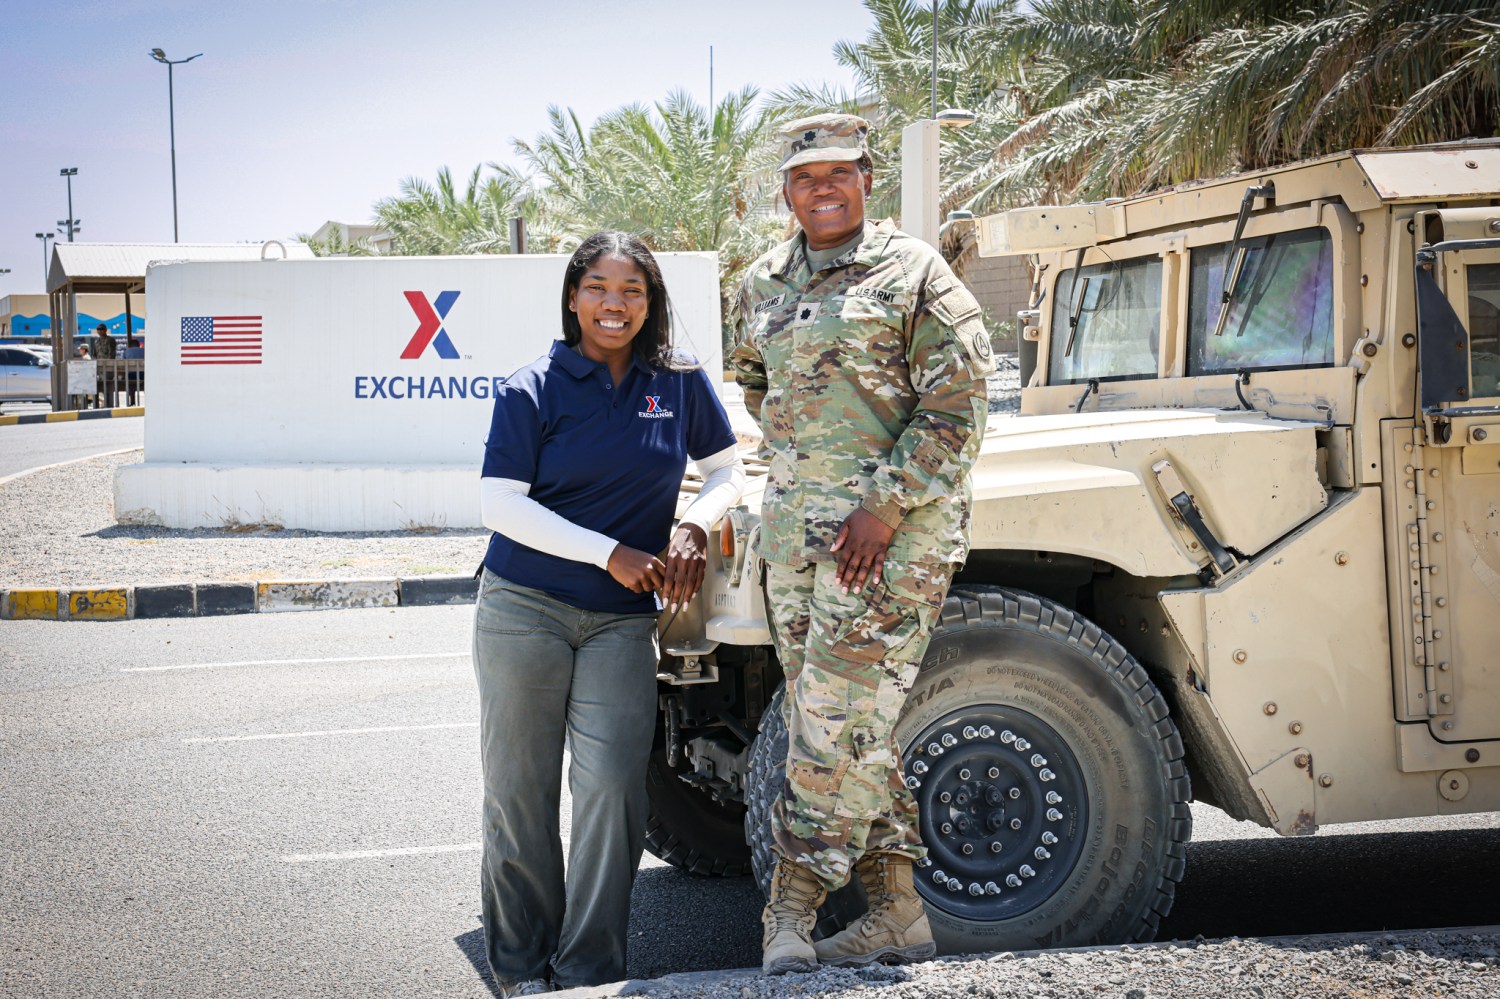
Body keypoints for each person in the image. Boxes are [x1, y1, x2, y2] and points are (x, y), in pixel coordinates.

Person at [731, 113, 994, 974]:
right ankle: (896, 913)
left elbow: (959, 406)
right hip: (796, 546)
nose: (824, 188)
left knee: (830, 727)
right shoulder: (764, 279)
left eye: (840, 172)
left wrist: (881, 505)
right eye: (807, 176)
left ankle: (791, 912)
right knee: (852, 730)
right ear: (787, 190)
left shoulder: (915, 272)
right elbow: (758, 382)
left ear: (866, 179)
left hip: (889, 545)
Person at [474, 231, 745, 996]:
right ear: (572, 297)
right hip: (524, 610)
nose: (614, 304)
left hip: (622, 622)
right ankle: (521, 969)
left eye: (631, 290)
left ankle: (589, 970)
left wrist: (696, 519)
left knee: (612, 792)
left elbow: (726, 468)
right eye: (598, 287)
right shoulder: (533, 387)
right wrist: (609, 552)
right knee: (520, 792)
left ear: (651, 301)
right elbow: (499, 503)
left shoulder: (678, 382)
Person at [121, 334, 144, 405]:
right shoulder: (144, 351)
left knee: (130, 384)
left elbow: (123, 363)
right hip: (143, 374)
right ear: (138, 345)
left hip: (131, 375)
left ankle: (132, 401)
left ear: (130, 346)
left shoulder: (126, 351)